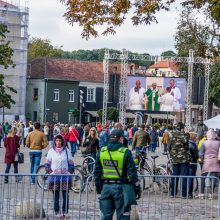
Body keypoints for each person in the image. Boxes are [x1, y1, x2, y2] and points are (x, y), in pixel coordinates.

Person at [94, 129, 141, 220]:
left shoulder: (102, 151)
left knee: (106, 216)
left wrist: (98, 188)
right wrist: (137, 188)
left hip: (106, 188)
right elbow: (132, 174)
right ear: (120, 139)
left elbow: (96, 172)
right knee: (123, 216)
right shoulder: (125, 152)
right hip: (121, 188)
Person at [45, 135, 74, 218]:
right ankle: (57, 211)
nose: (58, 142)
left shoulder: (66, 151)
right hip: (54, 177)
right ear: (55, 141)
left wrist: (69, 172)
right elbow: (47, 164)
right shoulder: (51, 151)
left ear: (62, 142)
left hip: (65, 177)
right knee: (56, 195)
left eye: (60, 141)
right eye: (57, 140)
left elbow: (71, 163)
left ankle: (66, 211)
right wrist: (50, 172)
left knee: (65, 195)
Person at [168, 122, 190, 198]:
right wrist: (186, 134)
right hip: (183, 158)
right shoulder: (181, 134)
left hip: (174, 158)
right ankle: (183, 194)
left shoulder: (171, 134)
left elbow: (169, 146)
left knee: (174, 175)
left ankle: (173, 193)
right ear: (181, 127)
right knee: (184, 176)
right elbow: (186, 141)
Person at [199, 129, 220, 199]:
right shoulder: (218, 143)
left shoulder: (204, 143)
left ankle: (202, 193)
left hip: (206, 162)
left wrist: (202, 160)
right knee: (213, 178)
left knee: (203, 177)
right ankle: (211, 194)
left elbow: (201, 154)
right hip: (215, 161)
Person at [188, 132, 199, 198]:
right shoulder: (193, 144)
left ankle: (185, 192)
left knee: (186, 177)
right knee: (191, 178)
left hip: (186, 162)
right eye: (196, 137)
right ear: (193, 137)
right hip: (193, 162)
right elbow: (196, 155)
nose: (196, 138)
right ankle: (190, 193)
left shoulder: (186, 143)